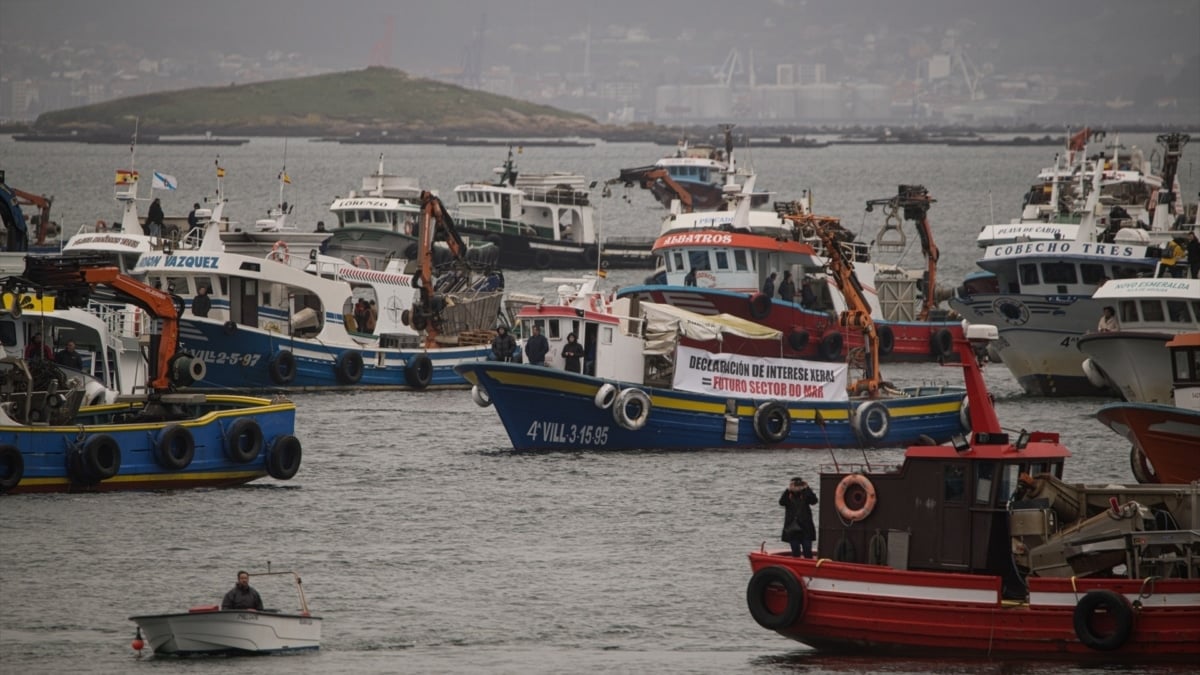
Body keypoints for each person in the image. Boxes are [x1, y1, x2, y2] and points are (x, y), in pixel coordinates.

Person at [780, 477, 819, 558]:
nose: (797, 486)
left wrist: (807, 487)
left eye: (799, 484)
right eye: (795, 484)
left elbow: (814, 501)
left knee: (807, 551)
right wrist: (788, 489)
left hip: (806, 528)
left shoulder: (805, 494)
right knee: (795, 551)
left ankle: (808, 567)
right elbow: (781, 502)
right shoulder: (788, 495)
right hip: (793, 528)